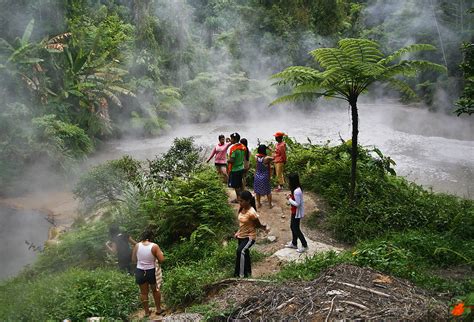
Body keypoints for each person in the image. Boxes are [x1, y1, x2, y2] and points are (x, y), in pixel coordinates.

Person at [234, 190, 268, 278]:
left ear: (248, 201)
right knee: (245, 254)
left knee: (240, 251)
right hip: (241, 235)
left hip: (249, 237)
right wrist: (238, 232)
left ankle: (241, 275)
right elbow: (242, 224)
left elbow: (257, 224)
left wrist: (263, 227)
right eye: (239, 201)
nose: (240, 203)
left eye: (241, 201)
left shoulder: (252, 213)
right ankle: (247, 273)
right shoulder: (242, 209)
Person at [132, 229, 165, 317]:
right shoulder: (154, 246)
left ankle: (146, 312)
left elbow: (133, 260)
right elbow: (161, 260)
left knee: (143, 293)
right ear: (151, 237)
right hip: (151, 271)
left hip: (139, 271)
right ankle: (158, 309)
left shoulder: (137, 246)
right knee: (155, 290)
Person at [285, 173, 308, 253]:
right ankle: (294, 243)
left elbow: (297, 204)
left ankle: (304, 245)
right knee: (292, 227)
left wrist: (289, 199)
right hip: (294, 211)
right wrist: (291, 197)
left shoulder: (297, 191)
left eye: (289, 180)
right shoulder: (296, 189)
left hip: (296, 212)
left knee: (296, 229)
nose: (288, 182)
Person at [227, 132, 246, 202]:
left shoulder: (233, 149)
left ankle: (238, 199)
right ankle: (241, 198)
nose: (230, 140)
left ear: (234, 139)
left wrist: (227, 160)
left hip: (235, 169)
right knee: (240, 184)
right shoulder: (242, 147)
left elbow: (232, 160)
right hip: (241, 167)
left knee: (236, 186)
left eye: (231, 139)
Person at [253, 144, 273, 208]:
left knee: (257, 191)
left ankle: (258, 204)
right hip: (265, 176)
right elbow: (274, 157)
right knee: (268, 191)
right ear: (265, 150)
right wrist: (271, 149)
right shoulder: (267, 158)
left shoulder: (256, 157)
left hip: (257, 176)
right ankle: (270, 205)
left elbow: (256, 154)